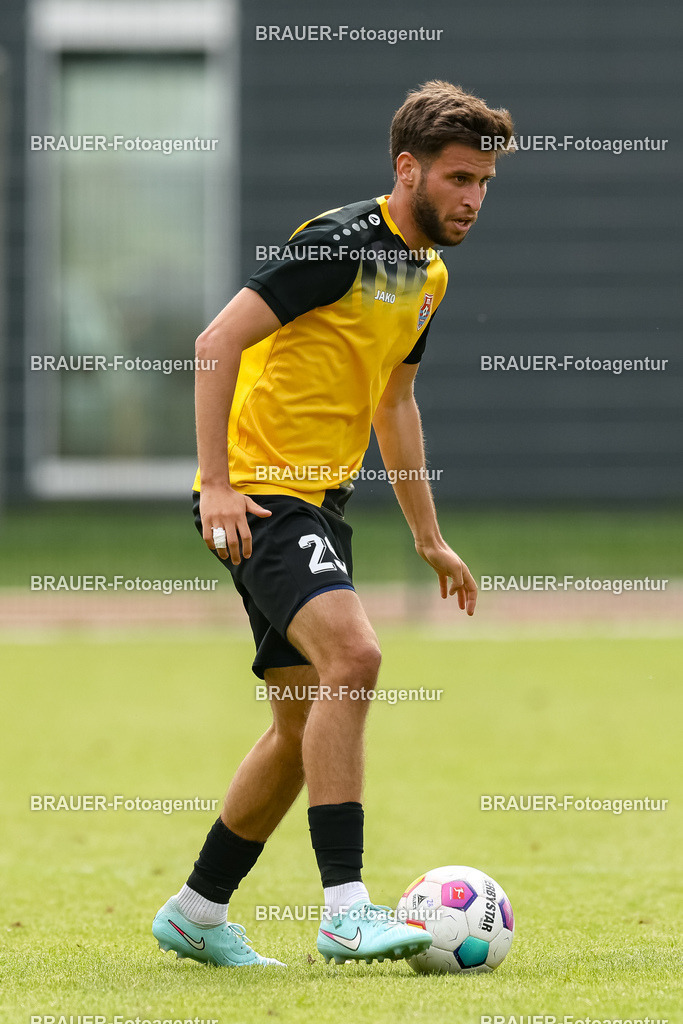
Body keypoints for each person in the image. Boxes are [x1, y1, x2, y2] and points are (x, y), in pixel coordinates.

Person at [153, 80, 513, 968]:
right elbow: (214, 344)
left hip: (317, 503)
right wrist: (221, 488)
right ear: (408, 169)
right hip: (263, 499)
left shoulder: (422, 273)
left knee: (295, 725)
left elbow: (396, 404)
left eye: (483, 183)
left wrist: (427, 535)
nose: (471, 198)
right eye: (458, 178)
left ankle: (197, 910)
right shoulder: (338, 245)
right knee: (354, 657)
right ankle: (346, 907)